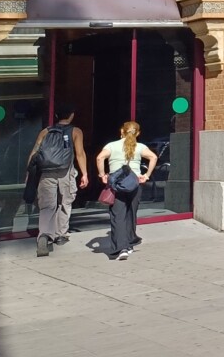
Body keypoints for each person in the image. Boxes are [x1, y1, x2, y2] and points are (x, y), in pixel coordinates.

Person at [25, 107, 88, 257]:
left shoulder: (45, 131)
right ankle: (61, 234)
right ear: (71, 115)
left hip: (46, 172)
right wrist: (84, 173)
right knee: (65, 201)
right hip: (65, 172)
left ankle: (44, 235)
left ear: (56, 115)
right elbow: (80, 153)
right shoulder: (76, 131)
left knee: (47, 205)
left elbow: (34, 152)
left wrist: (29, 172)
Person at [96, 121, 157, 261]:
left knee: (118, 215)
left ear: (121, 131)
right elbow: (153, 157)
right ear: (138, 133)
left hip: (116, 184)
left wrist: (102, 175)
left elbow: (100, 157)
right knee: (131, 214)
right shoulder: (140, 146)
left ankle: (121, 247)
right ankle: (129, 243)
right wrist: (146, 176)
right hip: (134, 183)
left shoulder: (111, 145)